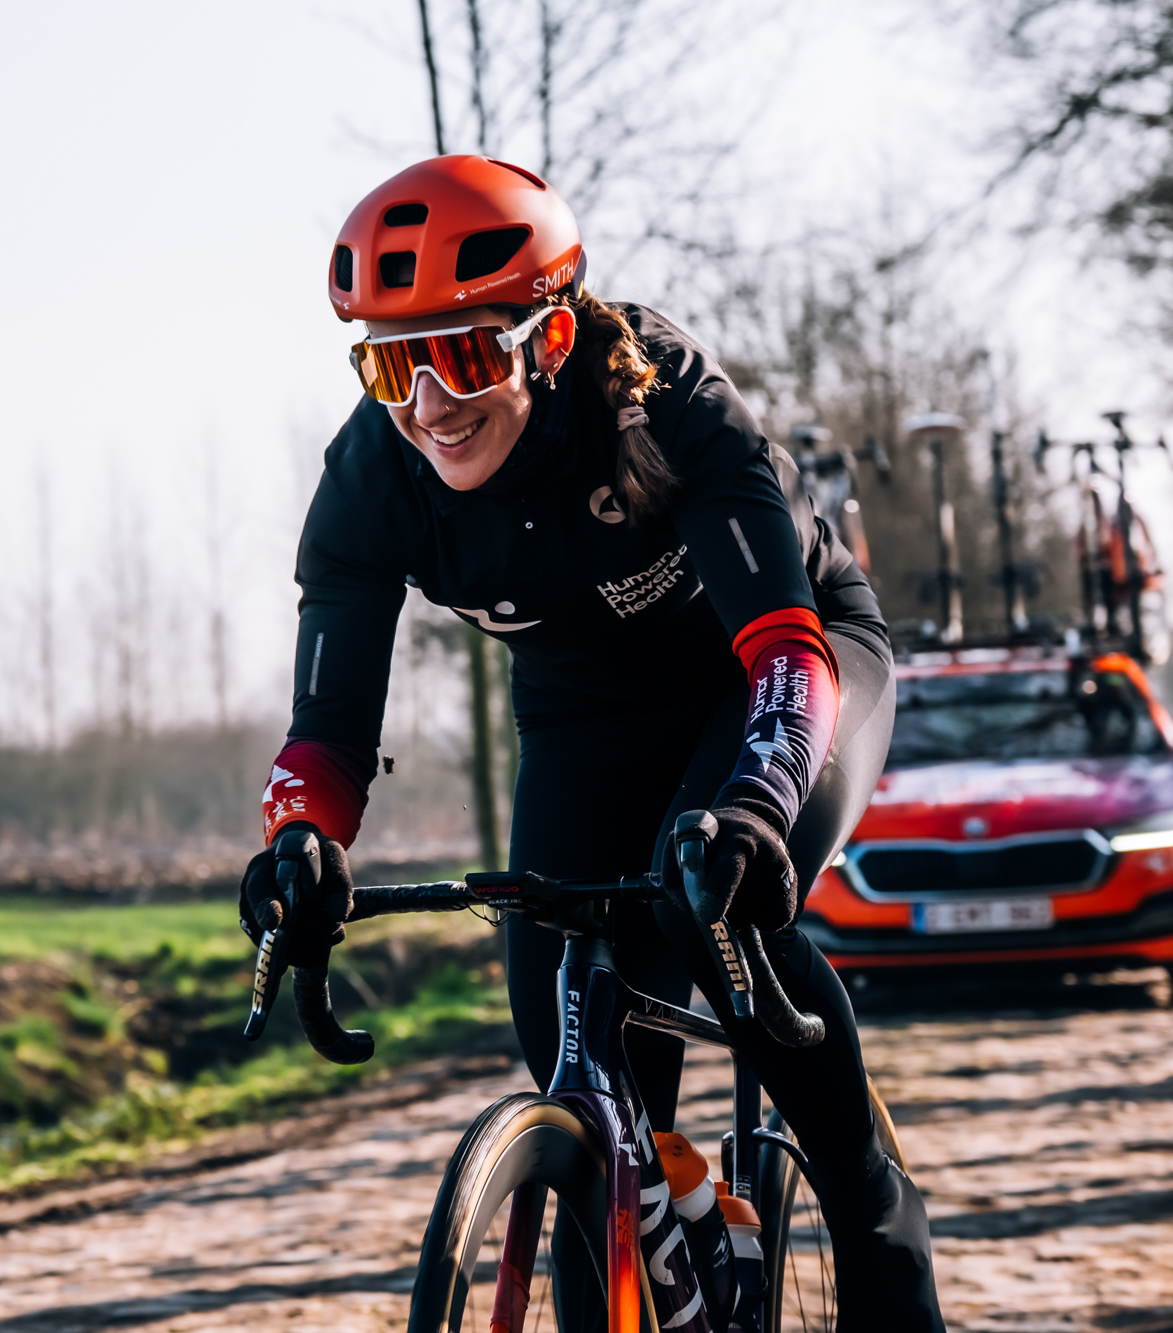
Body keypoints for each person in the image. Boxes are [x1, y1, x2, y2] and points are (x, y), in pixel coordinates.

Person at [238, 155, 944, 1330]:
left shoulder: (664, 403)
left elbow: (783, 651)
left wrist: (755, 807)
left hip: (777, 670)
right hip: (581, 717)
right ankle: (673, 1210)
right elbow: (326, 732)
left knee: (721, 908)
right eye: (391, 364)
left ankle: (870, 1213)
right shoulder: (371, 477)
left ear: (549, 337)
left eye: (462, 356)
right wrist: (299, 842)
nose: (428, 406)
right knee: (584, 1084)